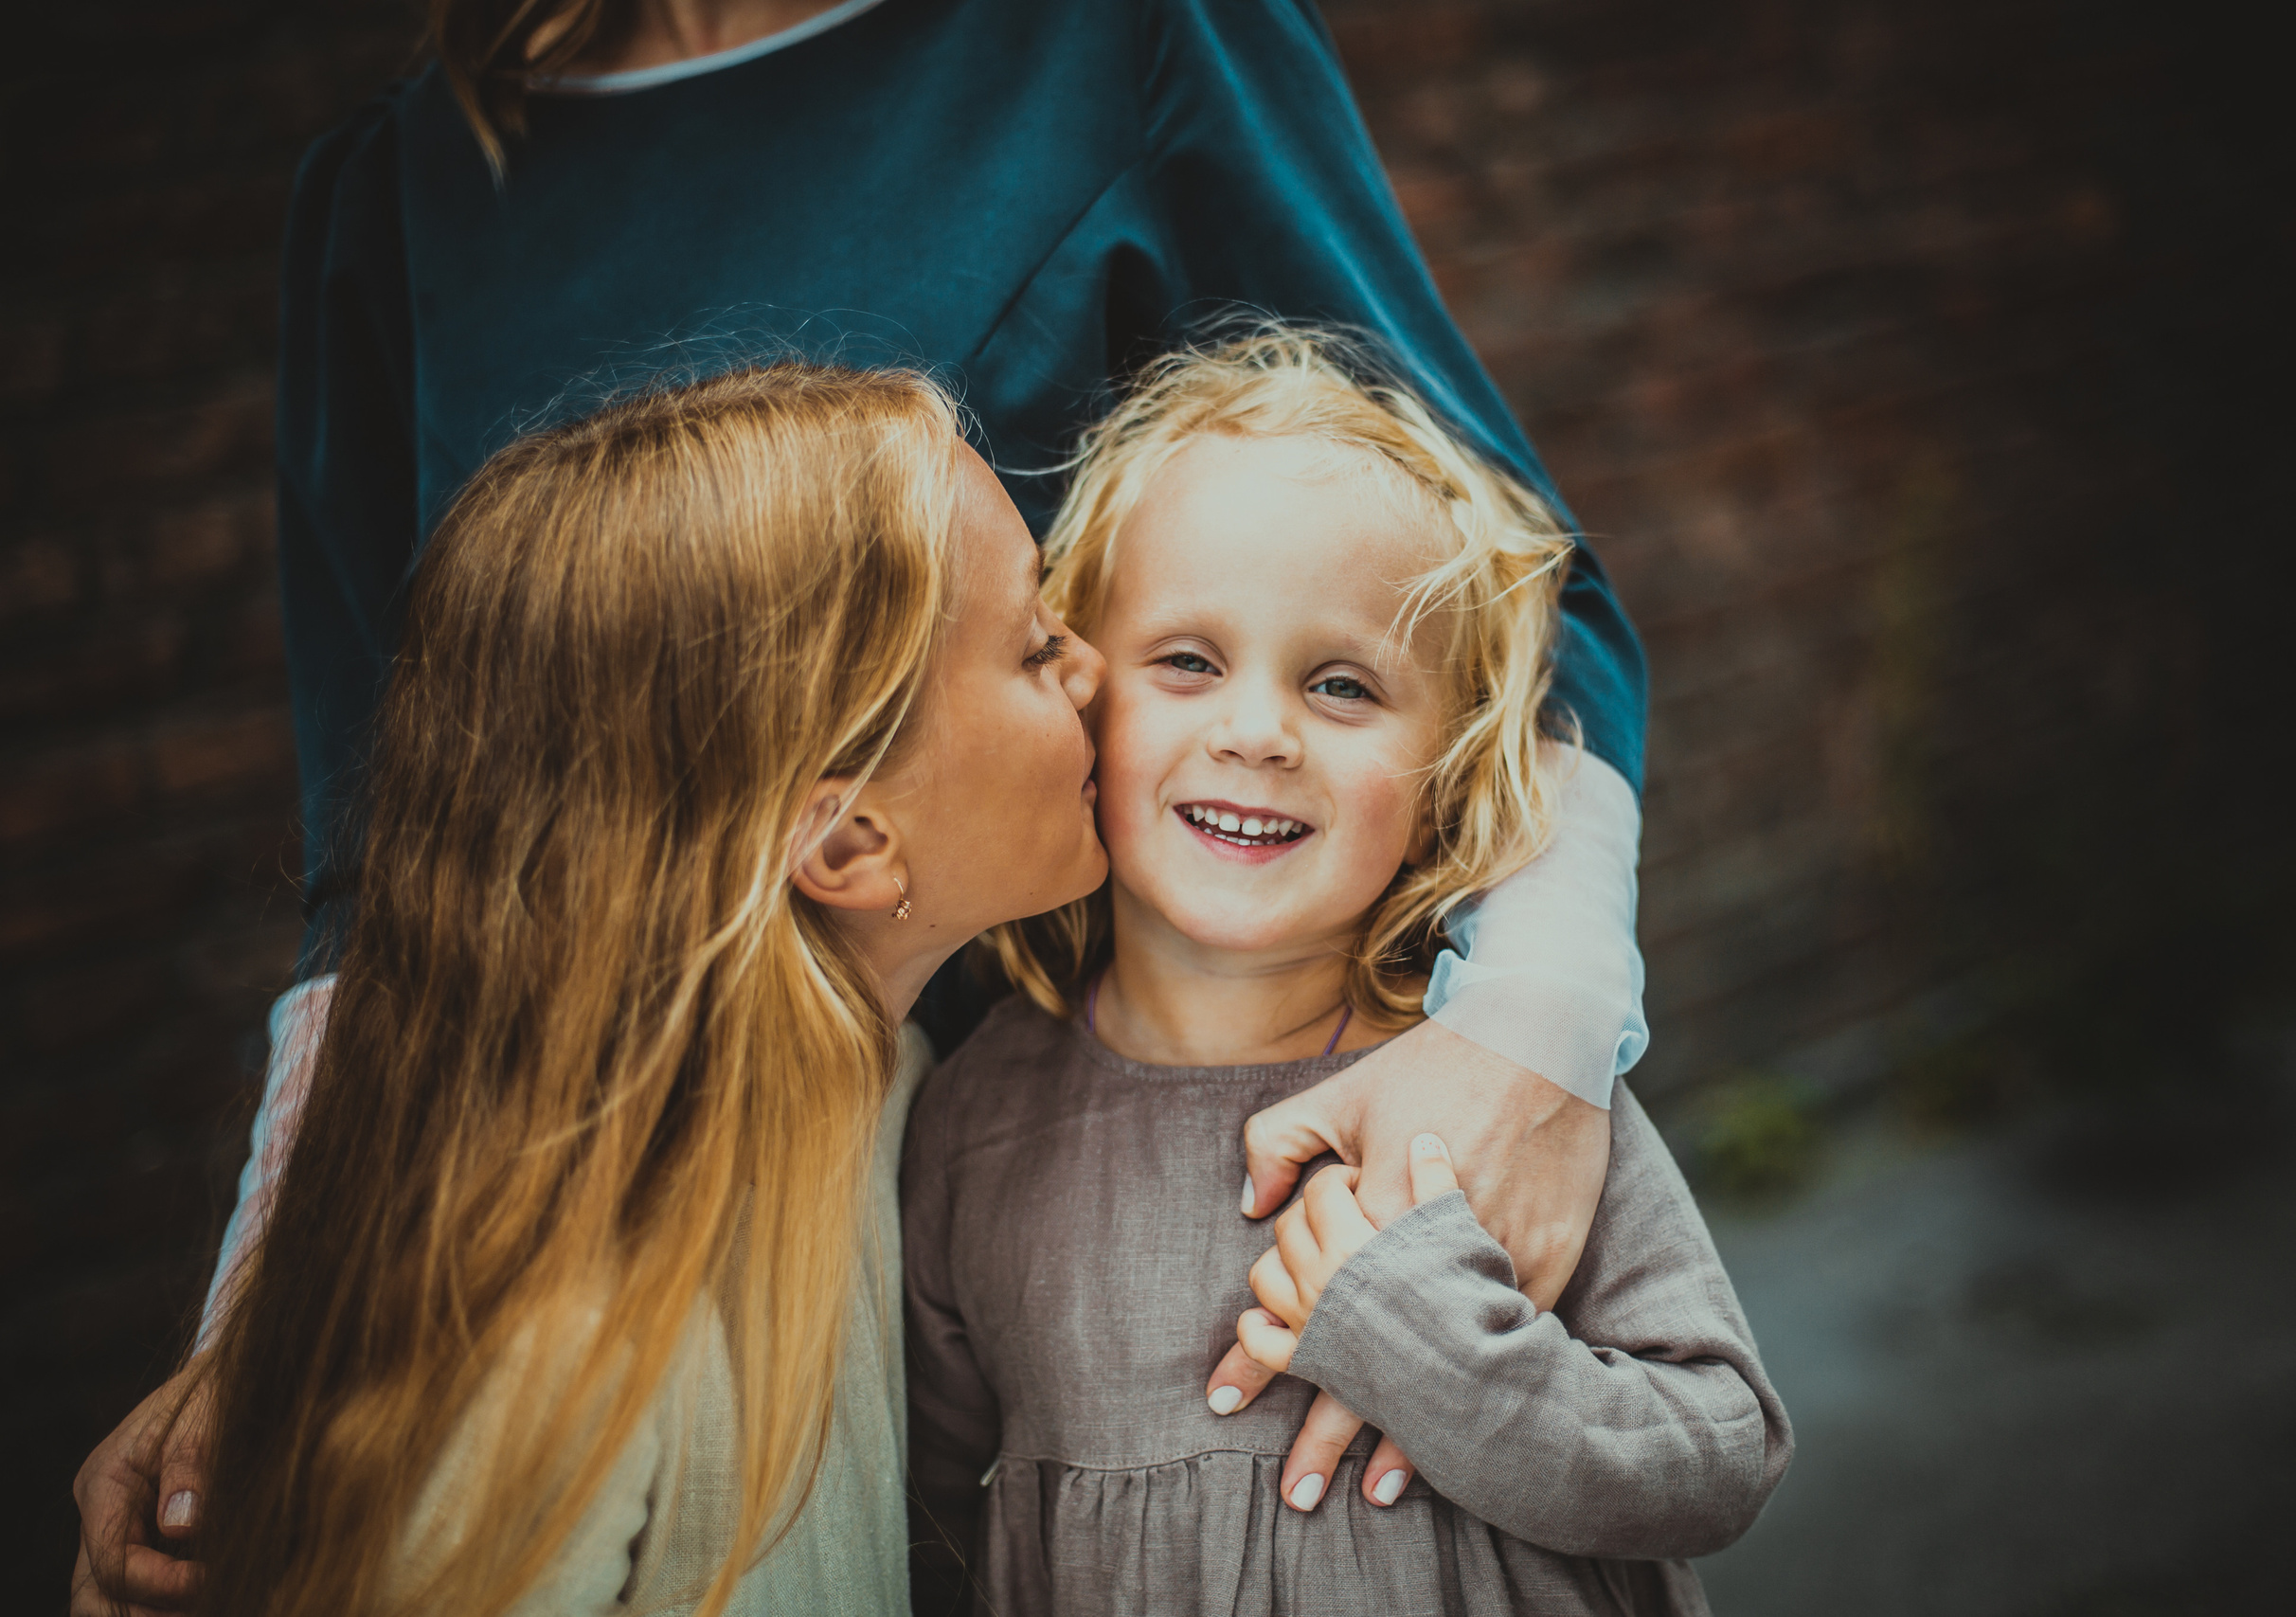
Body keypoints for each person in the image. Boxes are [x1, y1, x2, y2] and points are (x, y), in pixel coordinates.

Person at [76, 1, 1655, 1607]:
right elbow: (382, 860)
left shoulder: (1130, 42)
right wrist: (284, 1300)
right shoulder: (390, 194)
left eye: (1070, 634)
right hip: (605, 1206)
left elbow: (1514, 597)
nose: (1099, 683)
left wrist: (1531, 1039)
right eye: (1052, 652)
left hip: (1070, 1091)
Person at [193, 362, 1111, 1616]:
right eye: (1035, 645)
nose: (1095, 672)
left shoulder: (894, 1088)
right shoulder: (546, 1343)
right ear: (846, 845)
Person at [900, 332, 1788, 1615]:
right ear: (1079, 695)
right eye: (1188, 661)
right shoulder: (976, 1120)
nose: (1257, 733)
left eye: (1341, 685)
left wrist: (1440, 1348)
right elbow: (925, 1517)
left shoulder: (1492, 1097)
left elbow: (1718, 1460)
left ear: (1446, 778)